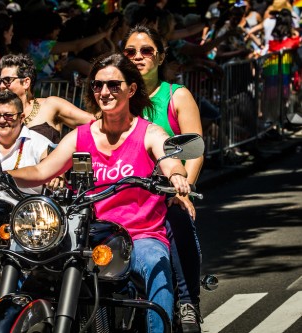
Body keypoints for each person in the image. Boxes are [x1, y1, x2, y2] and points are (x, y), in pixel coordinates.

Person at [7, 53, 192, 333]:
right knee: (33, 256)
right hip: (88, 234)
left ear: (131, 89)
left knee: (157, 264)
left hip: (139, 234)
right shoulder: (80, 136)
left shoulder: (148, 132)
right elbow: (43, 171)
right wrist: (3, 174)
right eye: (97, 85)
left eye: (113, 85)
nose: (104, 92)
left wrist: (176, 175)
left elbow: (169, 158)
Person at [123, 25, 204, 333]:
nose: (138, 57)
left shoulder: (176, 95)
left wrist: (183, 191)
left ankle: (187, 301)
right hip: (124, 194)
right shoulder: (115, 99)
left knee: (177, 215)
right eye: (131, 52)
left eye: (147, 51)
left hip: (165, 191)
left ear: (159, 58)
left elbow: (194, 151)